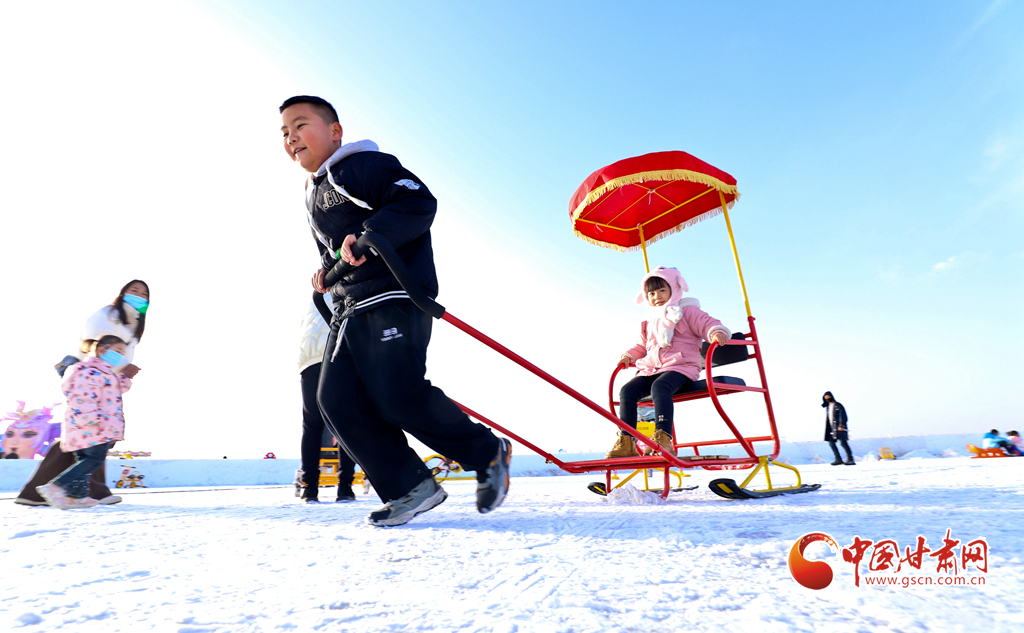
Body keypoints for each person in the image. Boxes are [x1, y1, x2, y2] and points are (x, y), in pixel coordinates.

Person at [280, 95, 510, 527]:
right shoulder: (314, 193)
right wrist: (327, 272)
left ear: (335, 131)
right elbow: (338, 249)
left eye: (300, 125)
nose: (291, 137)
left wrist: (371, 234)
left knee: (396, 393)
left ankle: (487, 452)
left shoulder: (362, 166)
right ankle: (409, 486)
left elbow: (418, 202)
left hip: (393, 295)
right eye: (284, 132)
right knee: (335, 400)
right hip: (350, 306)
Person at [15, 280, 150, 507]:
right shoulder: (108, 314)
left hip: (108, 378)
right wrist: (122, 365)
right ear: (122, 293)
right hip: (90, 373)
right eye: (133, 290)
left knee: (92, 439)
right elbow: (96, 344)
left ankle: (77, 493)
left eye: (144, 293)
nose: (139, 295)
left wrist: (122, 376)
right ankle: (54, 490)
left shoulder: (133, 322)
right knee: (87, 437)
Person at [609, 266, 731, 458]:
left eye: (662, 290)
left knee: (660, 386)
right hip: (652, 369)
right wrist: (629, 356)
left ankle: (663, 437)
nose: (657, 296)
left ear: (674, 289)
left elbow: (708, 323)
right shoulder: (649, 322)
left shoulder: (687, 312)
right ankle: (627, 440)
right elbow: (641, 346)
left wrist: (717, 332)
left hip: (681, 367)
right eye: (651, 293)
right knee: (627, 390)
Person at [36, 335, 133, 509]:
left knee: (85, 460)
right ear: (102, 350)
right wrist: (90, 418)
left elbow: (116, 389)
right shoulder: (88, 371)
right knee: (94, 459)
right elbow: (81, 397)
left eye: (123, 353)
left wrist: (126, 376)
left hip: (93, 427)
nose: (121, 356)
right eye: (118, 351)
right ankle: (56, 486)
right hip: (93, 426)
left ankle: (76, 497)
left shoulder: (103, 372)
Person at [298, 296, 357, 503]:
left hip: (309, 359)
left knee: (311, 425)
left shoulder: (313, 296)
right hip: (339, 353)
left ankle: (310, 488)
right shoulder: (348, 287)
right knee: (346, 423)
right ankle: (345, 487)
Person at [823, 391, 855, 465]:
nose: (827, 399)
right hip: (831, 429)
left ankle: (850, 459)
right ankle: (838, 459)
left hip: (839, 428)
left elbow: (843, 415)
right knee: (831, 443)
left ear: (832, 396)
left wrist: (842, 425)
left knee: (843, 443)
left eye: (828, 397)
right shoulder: (828, 407)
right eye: (826, 398)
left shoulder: (838, 405)